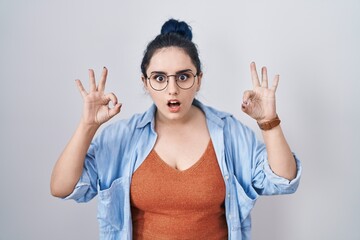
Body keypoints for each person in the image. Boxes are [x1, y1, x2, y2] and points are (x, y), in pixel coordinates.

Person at [50, 18, 301, 240]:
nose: (172, 89)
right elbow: (62, 187)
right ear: (145, 83)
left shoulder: (230, 133)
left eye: (183, 77)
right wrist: (88, 126)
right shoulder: (121, 137)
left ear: (198, 80)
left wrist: (269, 122)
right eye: (160, 78)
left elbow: (283, 180)